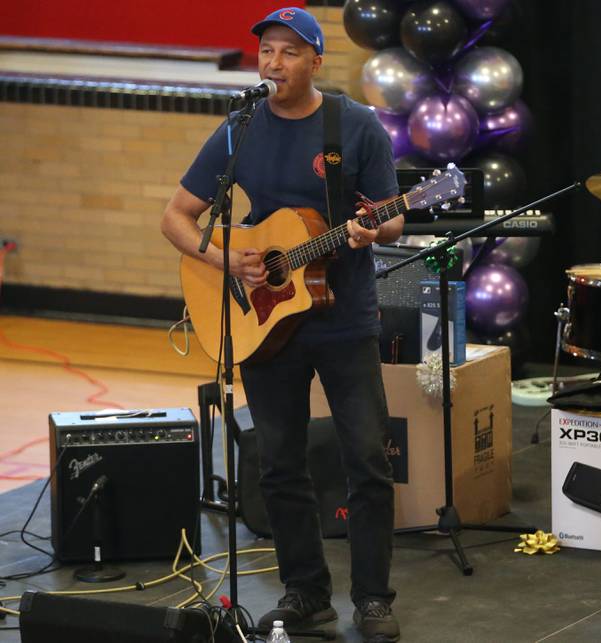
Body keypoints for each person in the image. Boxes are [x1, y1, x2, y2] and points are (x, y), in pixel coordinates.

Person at [160, 7, 403, 643]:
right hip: (263, 323)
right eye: (267, 50)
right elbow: (176, 217)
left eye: (289, 52)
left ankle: (374, 598)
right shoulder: (239, 130)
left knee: (368, 459)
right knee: (277, 463)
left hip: (342, 319)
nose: (274, 63)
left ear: (316, 62)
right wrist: (224, 258)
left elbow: (393, 216)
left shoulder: (354, 125)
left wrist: (371, 227)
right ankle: (305, 593)